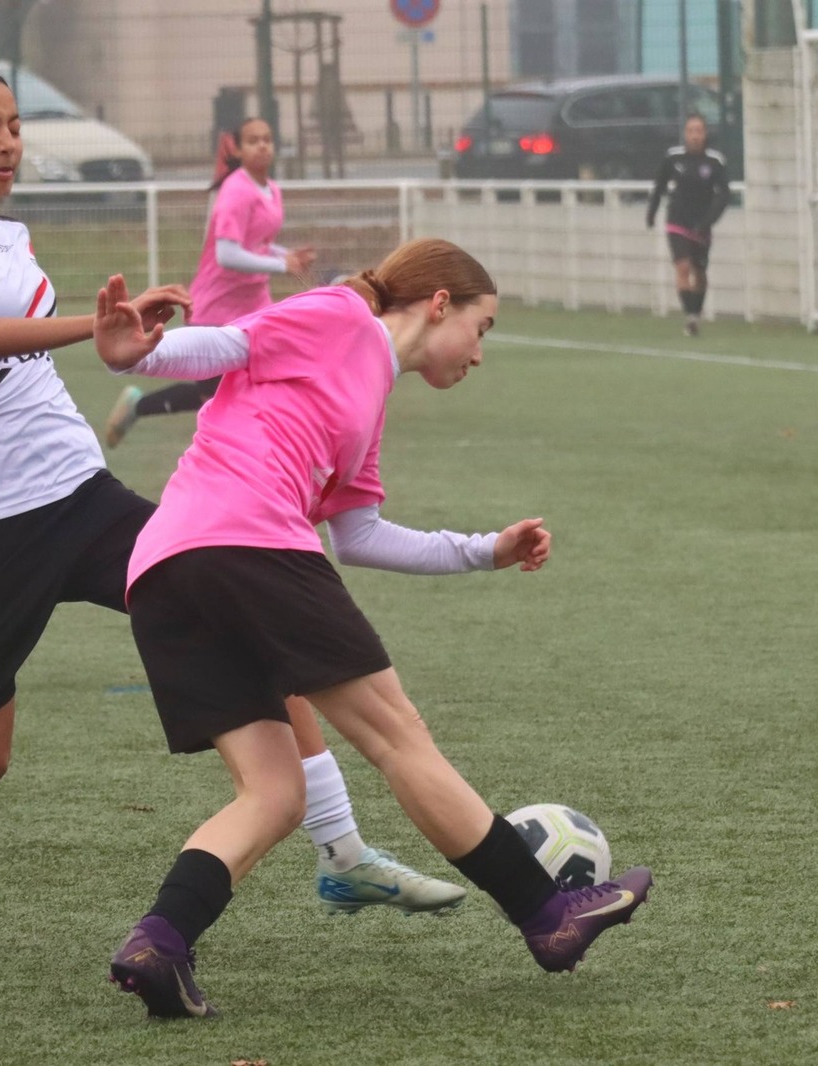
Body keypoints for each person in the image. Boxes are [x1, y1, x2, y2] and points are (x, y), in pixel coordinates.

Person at [0, 62, 457, 959]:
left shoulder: (11, 236)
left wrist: (123, 329)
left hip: (76, 493)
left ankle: (341, 848)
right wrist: (95, 330)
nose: (7, 143)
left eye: (14, 126)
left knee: (244, 610)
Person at [93, 239, 654, 1020]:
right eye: (483, 328)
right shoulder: (341, 315)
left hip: (164, 571)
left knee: (274, 793)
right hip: (248, 542)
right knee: (397, 737)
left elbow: (359, 535)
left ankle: (160, 942)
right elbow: (230, 344)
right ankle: (547, 913)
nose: (480, 353)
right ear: (439, 304)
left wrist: (484, 551)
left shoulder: (368, 399)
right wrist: (137, 355)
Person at [103, 117, 315, 448]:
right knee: (211, 394)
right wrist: (280, 265)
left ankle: (263, 445)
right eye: (253, 140)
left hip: (254, 304)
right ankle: (138, 406)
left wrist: (286, 255)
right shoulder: (236, 190)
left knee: (260, 379)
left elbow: (256, 241)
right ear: (238, 150)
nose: (262, 145)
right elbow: (227, 254)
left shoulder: (272, 189)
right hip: (217, 305)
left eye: (267, 139)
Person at [646, 113, 730, 337]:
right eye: (691, 131)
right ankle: (690, 317)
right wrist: (652, 212)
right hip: (677, 221)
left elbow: (724, 195)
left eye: (698, 131)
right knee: (682, 267)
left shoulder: (715, 161)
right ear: (685, 133)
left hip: (701, 225)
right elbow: (659, 186)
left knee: (699, 272)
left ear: (705, 134)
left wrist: (709, 220)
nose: (694, 136)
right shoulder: (673, 158)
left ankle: (696, 313)